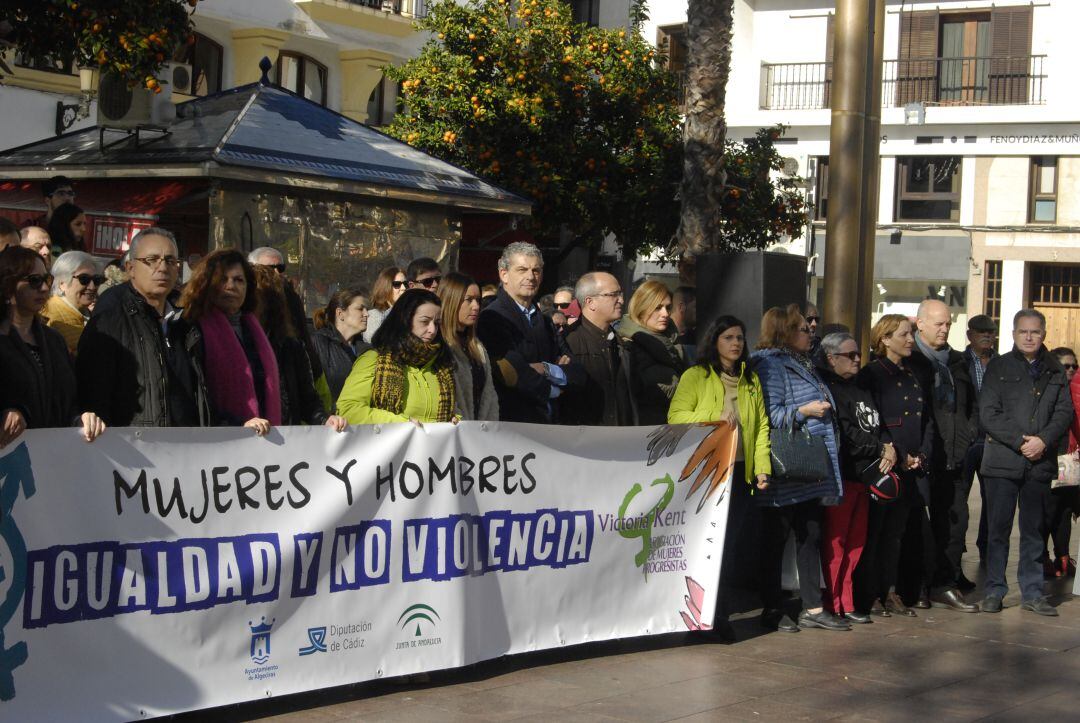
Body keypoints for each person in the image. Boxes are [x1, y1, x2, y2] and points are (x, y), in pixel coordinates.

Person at [668, 315, 771, 638]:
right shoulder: (696, 376)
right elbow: (676, 417)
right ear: (715, 341)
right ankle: (698, 619)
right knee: (705, 547)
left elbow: (762, 427)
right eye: (728, 337)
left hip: (740, 473)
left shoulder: (750, 380)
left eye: (740, 337)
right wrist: (714, 417)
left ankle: (720, 616)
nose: (736, 343)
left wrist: (762, 467)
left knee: (728, 548)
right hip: (708, 471)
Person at [751, 304, 846, 632]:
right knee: (775, 540)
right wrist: (803, 410)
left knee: (811, 534)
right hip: (786, 469)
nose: (811, 332)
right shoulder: (769, 365)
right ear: (785, 332)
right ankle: (772, 609)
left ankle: (813, 607)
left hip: (809, 470)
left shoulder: (802, 362)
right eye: (804, 329)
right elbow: (771, 413)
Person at [979, 309, 1073, 616]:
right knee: (998, 530)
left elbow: (1063, 413)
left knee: (1034, 529)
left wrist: (1043, 440)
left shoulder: (1055, 370)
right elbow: (989, 413)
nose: (1029, 337)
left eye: (1035, 332)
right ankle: (994, 589)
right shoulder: (998, 366)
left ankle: (1032, 592)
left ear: (1044, 334)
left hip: (1039, 464)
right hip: (1003, 460)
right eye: (1023, 332)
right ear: (1014, 334)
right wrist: (1022, 441)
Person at [77, 227, 211, 427]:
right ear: (130, 268)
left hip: (187, 449)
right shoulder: (110, 321)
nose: (162, 267)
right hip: (132, 448)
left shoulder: (187, 321)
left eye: (170, 261)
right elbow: (93, 395)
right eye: (151, 260)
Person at [855, 314, 934, 618]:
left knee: (895, 535)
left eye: (911, 334)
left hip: (910, 466)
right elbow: (871, 420)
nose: (910, 340)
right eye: (904, 334)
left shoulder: (912, 374)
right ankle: (869, 593)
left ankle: (891, 591)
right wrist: (898, 452)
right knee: (874, 532)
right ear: (885, 339)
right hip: (884, 465)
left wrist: (921, 454)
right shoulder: (872, 374)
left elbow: (924, 419)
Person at [819, 332, 896, 624]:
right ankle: (833, 602)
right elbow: (847, 435)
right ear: (831, 358)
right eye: (849, 355)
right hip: (843, 475)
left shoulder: (862, 388)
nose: (856, 359)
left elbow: (877, 425)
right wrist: (880, 447)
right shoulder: (829, 390)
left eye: (857, 354)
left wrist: (888, 447)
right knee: (836, 544)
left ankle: (847, 601)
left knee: (857, 542)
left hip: (866, 479)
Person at [907, 299, 979, 611]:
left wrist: (968, 434)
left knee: (954, 524)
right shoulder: (910, 362)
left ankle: (944, 583)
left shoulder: (959, 362)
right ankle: (918, 584)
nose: (944, 328)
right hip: (924, 457)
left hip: (955, 455)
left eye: (948, 323)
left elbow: (972, 407)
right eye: (938, 323)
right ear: (920, 324)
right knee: (918, 525)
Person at [0, 246, 104, 440]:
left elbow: (68, 399)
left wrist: (80, 419)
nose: (45, 288)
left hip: (52, 456)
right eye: (34, 281)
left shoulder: (53, 340)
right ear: (7, 286)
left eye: (46, 279)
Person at [477, 242, 584, 423]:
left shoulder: (545, 321)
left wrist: (547, 369)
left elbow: (577, 372)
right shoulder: (491, 318)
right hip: (513, 426)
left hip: (551, 424)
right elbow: (514, 375)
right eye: (522, 270)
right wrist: (554, 390)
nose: (531, 277)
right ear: (504, 274)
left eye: (536, 270)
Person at [179, 249, 280, 435]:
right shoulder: (190, 329)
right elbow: (192, 396)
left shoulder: (256, 330)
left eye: (238, 280)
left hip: (263, 443)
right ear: (207, 284)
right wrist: (237, 424)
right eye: (223, 279)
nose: (231, 286)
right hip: (217, 442)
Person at [336, 288, 457, 425]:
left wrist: (453, 421)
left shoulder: (441, 366)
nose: (432, 330)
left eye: (436, 323)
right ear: (405, 320)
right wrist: (401, 423)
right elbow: (348, 409)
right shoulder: (374, 359)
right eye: (424, 321)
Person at [253, 266, 346, 430]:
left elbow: (307, 400)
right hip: (243, 444)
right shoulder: (235, 343)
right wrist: (242, 421)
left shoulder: (291, 347)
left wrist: (324, 419)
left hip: (285, 441)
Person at [247, 246, 327, 406]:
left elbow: (303, 338)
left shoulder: (291, 297)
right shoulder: (244, 303)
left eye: (280, 267)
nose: (276, 272)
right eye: (269, 268)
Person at [561, 272, 636, 426]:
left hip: (620, 439)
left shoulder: (621, 344)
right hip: (582, 440)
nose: (621, 300)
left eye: (620, 294)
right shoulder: (568, 343)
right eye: (613, 295)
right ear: (590, 302)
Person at [618, 279, 687, 425]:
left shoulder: (674, 342)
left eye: (668, 307)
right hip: (645, 433)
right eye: (657, 307)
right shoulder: (628, 347)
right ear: (641, 309)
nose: (665, 314)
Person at [438, 271, 499, 421]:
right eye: (469, 300)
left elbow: (489, 398)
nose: (476, 306)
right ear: (451, 300)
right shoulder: (438, 345)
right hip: (454, 434)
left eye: (478, 300)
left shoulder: (477, 347)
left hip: (480, 435)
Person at [964, 313, 999, 561]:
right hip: (967, 441)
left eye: (990, 332)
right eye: (981, 332)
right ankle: (957, 554)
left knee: (993, 500)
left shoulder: (1003, 363)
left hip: (994, 441)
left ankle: (987, 550)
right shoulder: (958, 362)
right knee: (958, 500)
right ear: (970, 335)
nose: (987, 335)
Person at [312, 288, 372, 408]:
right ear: (340, 314)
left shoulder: (369, 351)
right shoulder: (318, 343)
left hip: (360, 424)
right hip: (328, 423)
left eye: (366, 309)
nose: (367, 314)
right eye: (360, 309)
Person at [1048, 346, 1079, 578]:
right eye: (1065, 365)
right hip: (1049, 458)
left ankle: (1063, 558)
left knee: (1066, 510)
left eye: (1074, 366)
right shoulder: (1048, 388)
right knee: (1047, 510)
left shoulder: (1076, 389)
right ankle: (1041, 558)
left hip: (1071, 459)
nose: (1070, 370)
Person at [41, 251, 101, 355]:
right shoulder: (49, 316)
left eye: (96, 280)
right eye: (84, 279)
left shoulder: (92, 314)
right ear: (62, 283)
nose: (92, 287)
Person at [365, 266, 407, 343]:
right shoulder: (374, 315)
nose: (404, 288)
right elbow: (376, 342)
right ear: (385, 287)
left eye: (405, 283)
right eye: (397, 284)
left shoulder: (411, 311)